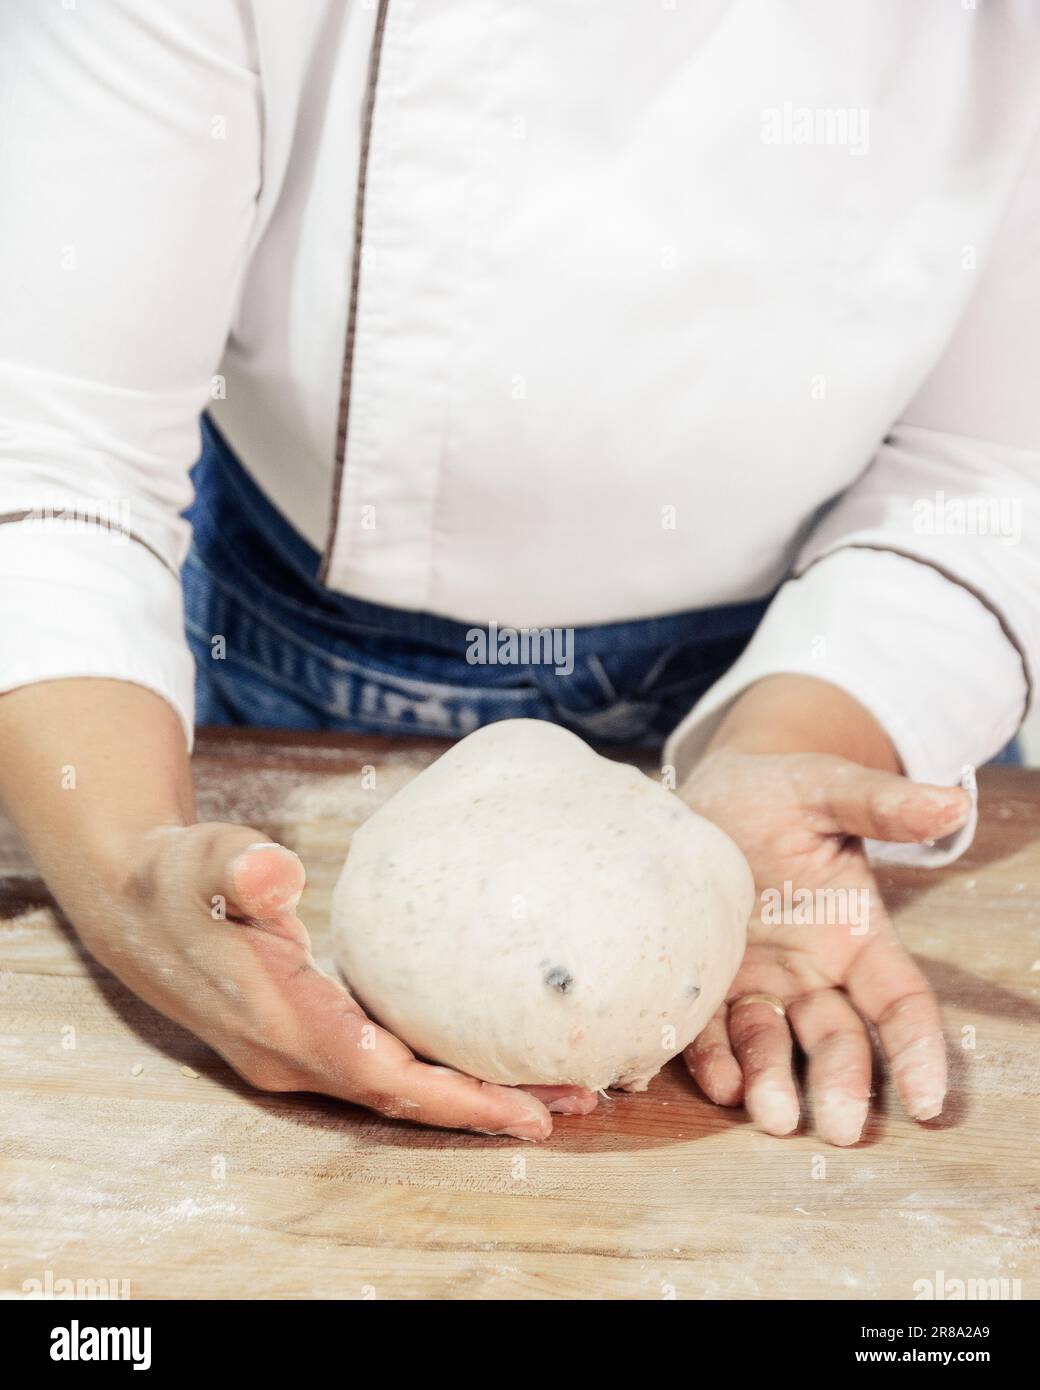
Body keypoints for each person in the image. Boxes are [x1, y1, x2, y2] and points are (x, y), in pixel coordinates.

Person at [1, 0, 1037, 1147]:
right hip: (277, 639)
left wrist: (821, 731)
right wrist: (127, 866)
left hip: (842, 643)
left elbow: (995, 466)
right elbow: (54, 437)